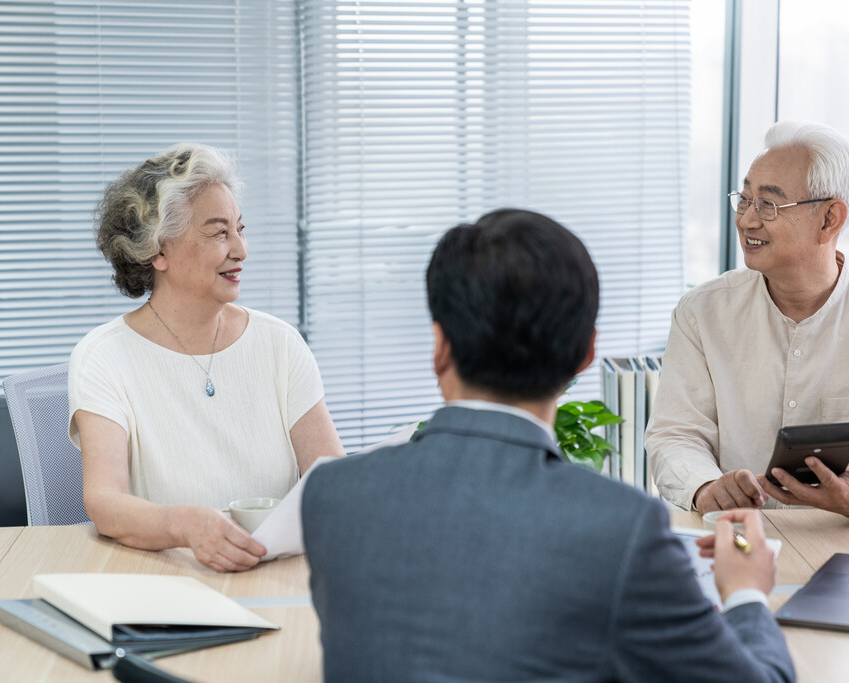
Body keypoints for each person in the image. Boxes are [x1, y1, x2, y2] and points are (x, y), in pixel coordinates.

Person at [301, 209, 794, 682]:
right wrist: (746, 591)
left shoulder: (331, 493)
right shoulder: (619, 527)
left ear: (440, 347)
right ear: (586, 353)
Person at [646, 120, 849, 522]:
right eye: (744, 199)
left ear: (829, 219)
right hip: (736, 538)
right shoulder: (702, 312)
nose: (747, 220)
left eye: (768, 205)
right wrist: (704, 487)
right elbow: (675, 433)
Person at [69, 143, 344, 572]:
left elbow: (332, 481)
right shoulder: (105, 357)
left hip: (277, 573)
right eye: (219, 232)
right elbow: (105, 502)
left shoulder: (280, 344)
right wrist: (185, 525)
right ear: (157, 250)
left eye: (240, 228)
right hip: (169, 578)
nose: (241, 249)